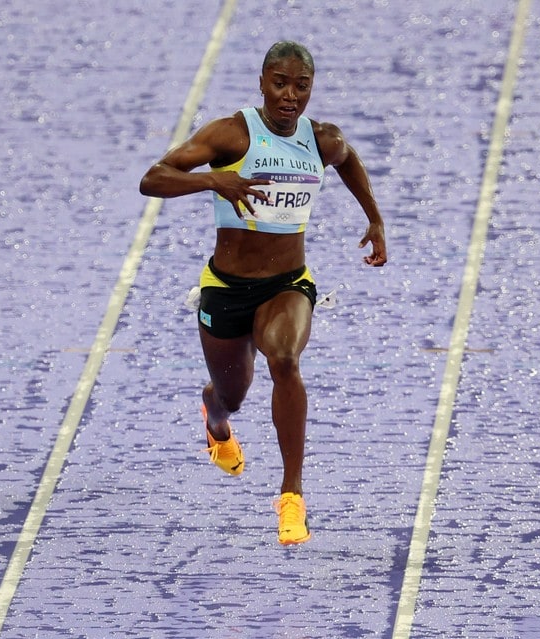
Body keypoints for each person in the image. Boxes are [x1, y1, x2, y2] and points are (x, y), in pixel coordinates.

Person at [139, 41, 387, 545]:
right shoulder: (232, 134)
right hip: (226, 289)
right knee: (232, 394)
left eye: (302, 86)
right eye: (280, 83)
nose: (290, 96)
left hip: (286, 285)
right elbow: (153, 179)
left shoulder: (321, 141)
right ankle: (215, 415)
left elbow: (349, 160)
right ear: (261, 82)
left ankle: (291, 495)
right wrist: (215, 181)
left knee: (285, 359)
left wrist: (375, 218)